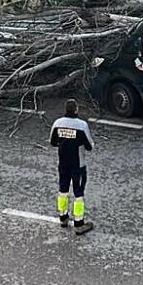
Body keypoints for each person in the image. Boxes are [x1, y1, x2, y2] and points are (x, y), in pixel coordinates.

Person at [50, 98, 95, 235]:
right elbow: (89, 146)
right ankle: (79, 223)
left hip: (63, 163)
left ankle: (63, 218)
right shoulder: (81, 125)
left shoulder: (58, 123)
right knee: (78, 193)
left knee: (63, 191)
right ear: (76, 109)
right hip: (78, 165)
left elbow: (53, 142)